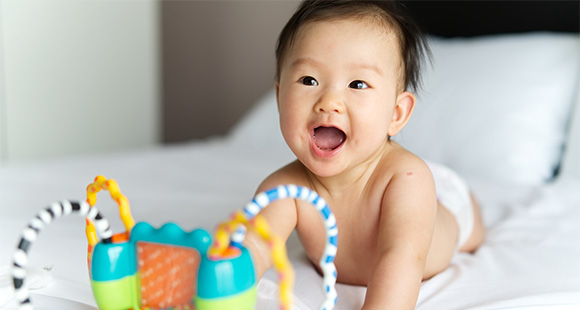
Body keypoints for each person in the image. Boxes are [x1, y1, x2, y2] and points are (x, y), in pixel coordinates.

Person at [243, 1, 485, 309]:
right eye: (309, 80)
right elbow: (255, 247)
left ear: (397, 113)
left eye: (357, 84)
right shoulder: (284, 189)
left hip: (443, 199)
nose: (329, 101)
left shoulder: (406, 180)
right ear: (279, 97)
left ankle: (469, 206)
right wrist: (217, 283)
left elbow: (401, 259)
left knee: (470, 231)